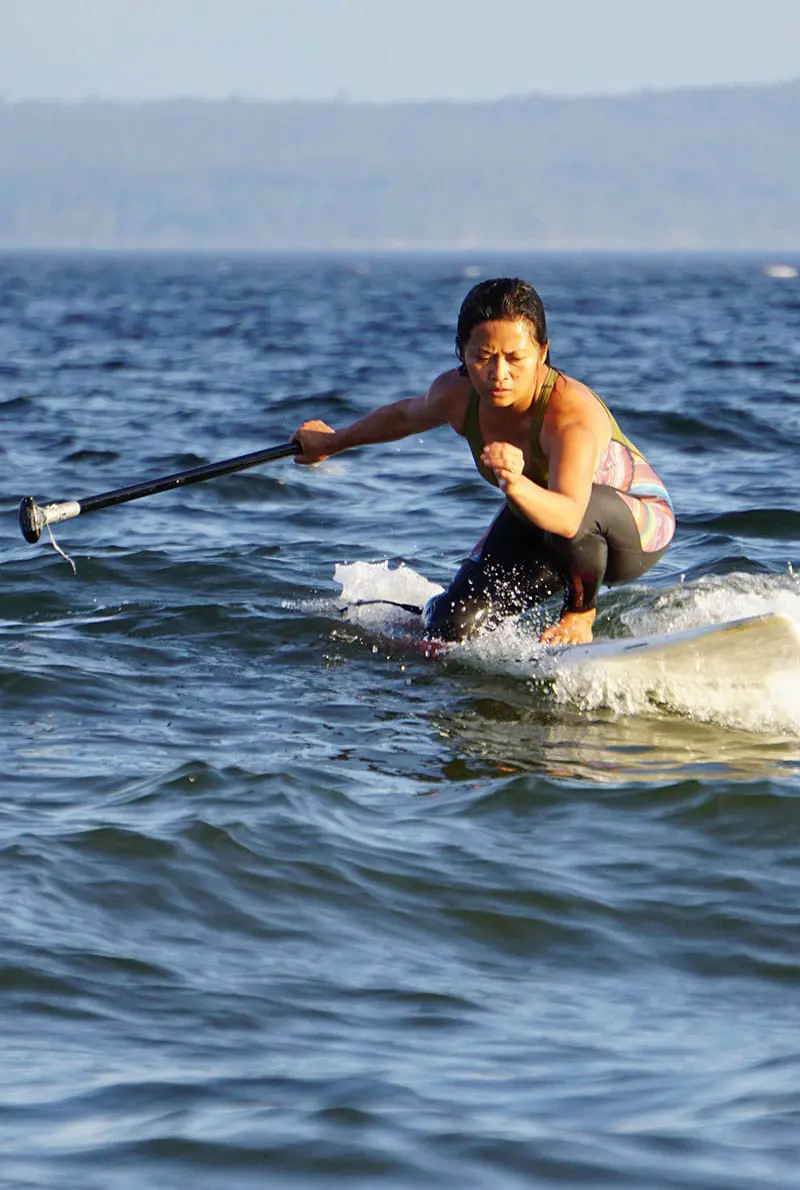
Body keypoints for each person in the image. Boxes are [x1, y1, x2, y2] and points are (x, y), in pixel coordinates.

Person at [293, 277, 674, 646]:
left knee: (578, 512)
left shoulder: (568, 412)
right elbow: (405, 416)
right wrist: (332, 442)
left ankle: (579, 617)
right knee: (450, 626)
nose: (499, 374)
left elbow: (571, 517)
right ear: (462, 353)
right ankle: (421, 614)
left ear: (542, 352)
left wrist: (516, 483)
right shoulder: (457, 395)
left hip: (631, 531)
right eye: (483, 358)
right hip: (540, 521)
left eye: (515, 358)